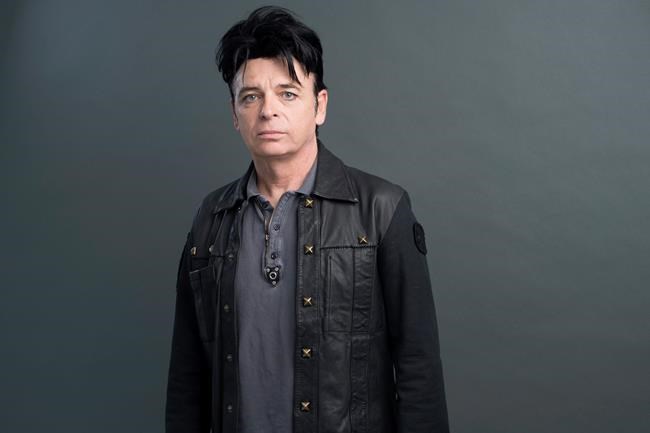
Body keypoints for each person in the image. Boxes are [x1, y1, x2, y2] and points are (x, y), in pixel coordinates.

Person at [166, 6, 449, 433]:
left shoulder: (381, 210)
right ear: (234, 114)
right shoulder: (211, 219)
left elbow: (418, 367)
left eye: (288, 93)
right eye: (250, 96)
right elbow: (187, 377)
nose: (268, 110)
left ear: (320, 106)